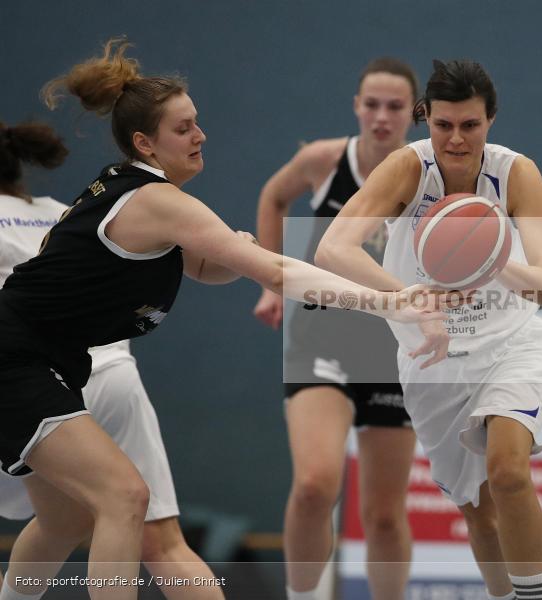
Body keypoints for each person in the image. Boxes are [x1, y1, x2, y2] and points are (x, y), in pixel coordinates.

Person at [0, 39, 442, 600]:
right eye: (183, 128)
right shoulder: (158, 200)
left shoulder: (143, 200)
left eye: (198, 122)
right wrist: (390, 302)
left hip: (49, 364)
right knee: (124, 497)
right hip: (15, 359)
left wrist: (237, 252)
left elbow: (207, 267)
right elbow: (279, 272)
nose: (200, 135)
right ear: (145, 143)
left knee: (64, 520)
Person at [316, 59, 542, 600]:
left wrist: (490, 256)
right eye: (443, 125)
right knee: (479, 514)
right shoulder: (408, 168)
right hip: (433, 355)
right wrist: (404, 299)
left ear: (491, 120)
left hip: (511, 344)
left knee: (508, 473)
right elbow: (333, 247)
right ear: (426, 118)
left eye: (470, 126)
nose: (456, 139)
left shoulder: (515, 173)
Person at [0, 118, 223, 600]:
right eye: (185, 125)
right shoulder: (71, 209)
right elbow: (199, 260)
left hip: (29, 376)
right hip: (106, 371)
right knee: (150, 539)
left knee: (84, 511)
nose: (199, 135)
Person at [253, 58, 419, 600]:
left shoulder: (430, 175)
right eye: (371, 104)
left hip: (396, 353)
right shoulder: (325, 161)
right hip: (320, 341)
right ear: (356, 106)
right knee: (314, 485)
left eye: (394, 106)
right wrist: (270, 282)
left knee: (385, 517)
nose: (381, 116)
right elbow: (275, 197)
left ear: (414, 114)